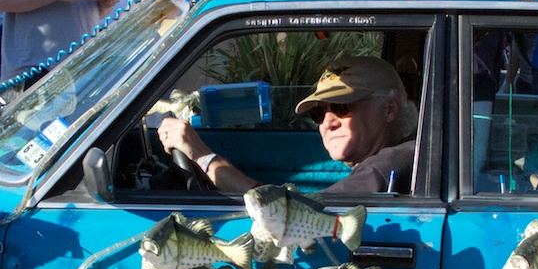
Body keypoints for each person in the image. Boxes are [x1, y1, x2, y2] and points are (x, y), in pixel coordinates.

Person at [158, 55, 418, 196]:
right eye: (318, 113)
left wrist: (202, 157)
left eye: (341, 107)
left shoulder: (387, 167)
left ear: (390, 109)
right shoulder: (396, 157)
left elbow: (292, 215)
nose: (328, 122)